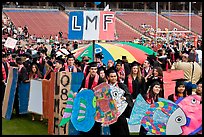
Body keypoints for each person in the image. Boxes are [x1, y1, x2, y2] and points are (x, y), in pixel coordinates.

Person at [77, 62, 105, 135]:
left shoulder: (101, 80)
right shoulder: (85, 79)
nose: (93, 71)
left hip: (96, 105)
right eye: (92, 69)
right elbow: (80, 89)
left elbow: (103, 93)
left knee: (95, 123)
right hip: (87, 105)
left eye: (95, 69)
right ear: (89, 70)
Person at [106, 67, 134, 135]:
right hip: (112, 115)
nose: (113, 78)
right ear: (108, 77)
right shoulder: (106, 88)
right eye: (111, 76)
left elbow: (129, 97)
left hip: (121, 114)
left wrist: (124, 98)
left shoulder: (122, 86)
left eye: (115, 76)